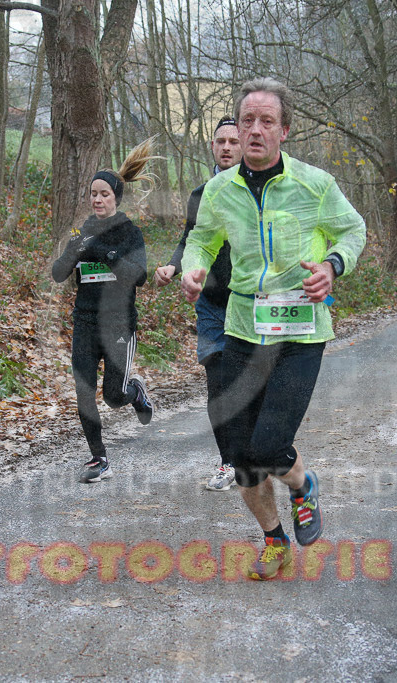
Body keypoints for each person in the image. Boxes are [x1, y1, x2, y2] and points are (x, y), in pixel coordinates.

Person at [180, 78, 366, 580]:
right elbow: (200, 239)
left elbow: (353, 230)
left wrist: (333, 264)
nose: (255, 130)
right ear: (236, 130)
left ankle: (304, 487)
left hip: (300, 335)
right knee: (240, 455)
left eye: (266, 121)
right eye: (247, 121)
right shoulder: (220, 191)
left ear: (284, 130)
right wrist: (192, 268)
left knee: (268, 446)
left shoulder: (315, 184)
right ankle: (273, 540)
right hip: (241, 329)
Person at [51, 139, 158, 483]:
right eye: (93, 194)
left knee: (113, 397)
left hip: (118, 325)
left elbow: (138, 275)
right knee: (84, 393)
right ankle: (99, 459)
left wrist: (102, 252)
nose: (97, 199)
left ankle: (135, 391)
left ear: (115, 198)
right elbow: (57, 274)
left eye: (104, 194)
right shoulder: (83, 232)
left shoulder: (129, 233)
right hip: (84, 322)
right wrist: (74, 251)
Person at [154, 116, 242, 491]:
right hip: (210, 303)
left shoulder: (260, 195)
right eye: (220, 141)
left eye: (232, 141)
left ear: (245, 146)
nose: (226, 147)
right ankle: (228, 463)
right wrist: (174, 266)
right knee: (218, 384)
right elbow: (190, 239)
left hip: (250, 304)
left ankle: (254, 453)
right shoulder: (200, 194)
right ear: (212, 146)